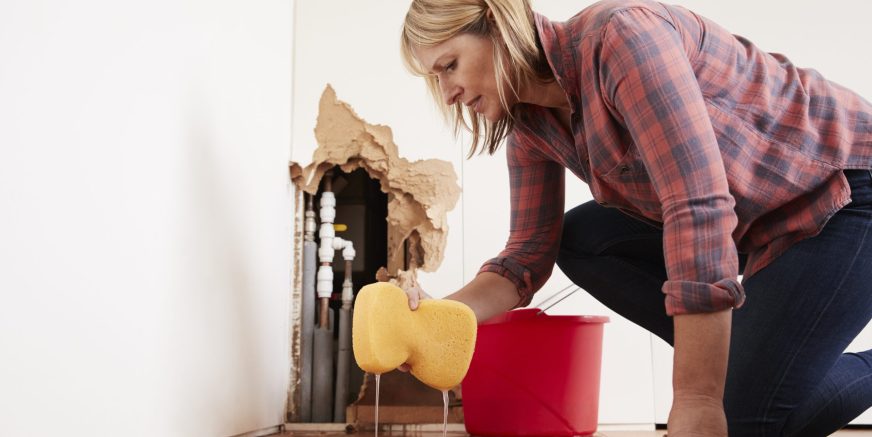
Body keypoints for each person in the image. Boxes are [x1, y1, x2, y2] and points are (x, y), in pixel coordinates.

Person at [397, 0, 872, 435]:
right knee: (580, 238)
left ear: (498, 27)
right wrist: (437, 317)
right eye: (434, 78)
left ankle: (730, 380)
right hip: (760, 224)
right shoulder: (531, 128)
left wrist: (696, 398)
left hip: (844, 192)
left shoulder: (621, 39)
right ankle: (736, 365)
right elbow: (525, 258)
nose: (448, 93)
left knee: (737, 419)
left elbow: (697, 206)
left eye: (449, 66)